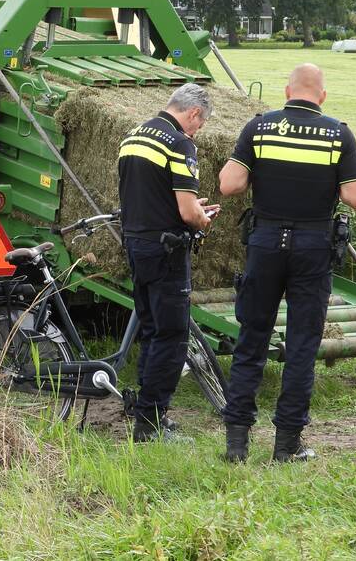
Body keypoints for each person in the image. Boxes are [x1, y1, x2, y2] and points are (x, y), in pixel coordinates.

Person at [218, 63, 356, 462]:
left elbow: (229, 185)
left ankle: (236, 445)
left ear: (287, 91)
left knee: (251, 339)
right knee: (302, 346)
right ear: (322, 96)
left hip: (265, 242)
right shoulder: (338, 133)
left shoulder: (259, 127)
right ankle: (287, 446)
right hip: (313, 245)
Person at [117, 83, 219, 442]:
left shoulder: (135, 135)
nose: (197, 130)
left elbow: (149, 194)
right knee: (172, 335)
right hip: (166, 251)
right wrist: (204, 218)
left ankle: (143, 410)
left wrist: (188, 207)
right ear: (193, 113)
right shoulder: (179, 143)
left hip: (135, 244)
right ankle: (152, 422)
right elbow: (188, 212)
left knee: (150, 328)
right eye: (200, 123)